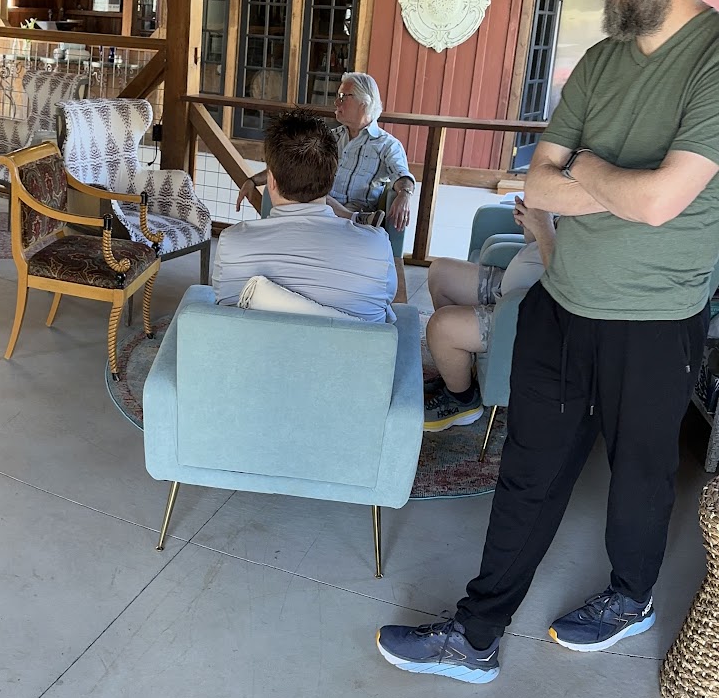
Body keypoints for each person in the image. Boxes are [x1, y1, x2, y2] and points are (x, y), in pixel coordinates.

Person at [378, 0, 719, 684]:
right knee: (528, 474)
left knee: (640, 480)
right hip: (562, 304)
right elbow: (536, 183)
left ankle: (631, 595)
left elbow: (660, 202)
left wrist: (588, 174)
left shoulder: (714, 62)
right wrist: (611, 180)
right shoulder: (600, 62)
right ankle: (476, 635)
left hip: (655, 320)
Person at [235, 73, 416, 300]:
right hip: (319, 206)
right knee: (312, 196)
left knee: (317, 200)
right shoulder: (329, 137)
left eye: (343, 96)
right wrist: (253, 180)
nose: (336, 102)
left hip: (352, 207)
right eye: (337, 96)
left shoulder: (387, 145)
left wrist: (404, 194)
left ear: (364, 102)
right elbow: (289, 166)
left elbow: (402, 175)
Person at [209, 110, 398, 323]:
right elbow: (384, 305)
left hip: (251, 344)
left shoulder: (232, 242)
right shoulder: (376, 245)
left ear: (271, 181)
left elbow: (223, 305)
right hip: (355, 345)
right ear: (331, 178)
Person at [421, 199, 556, 431]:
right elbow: (537, 245)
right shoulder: (579, 205)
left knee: (441, 327)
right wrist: (531, 224)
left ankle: (462, 400)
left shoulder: (604, 223)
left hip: (527, 311)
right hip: (512, 287)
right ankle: (457, 373)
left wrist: (543, 226)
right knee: (440, 273)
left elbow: (566, 282)